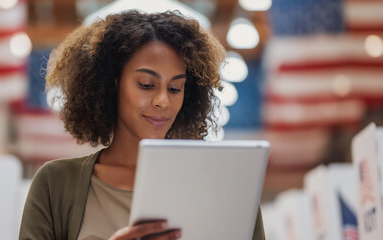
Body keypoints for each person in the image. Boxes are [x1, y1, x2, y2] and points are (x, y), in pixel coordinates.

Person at [19, 10, 265, 240]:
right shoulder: (55, 184)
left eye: (175, 88)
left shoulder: (229, 187)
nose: (163, 101)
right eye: (147, 85)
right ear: (112, 83)